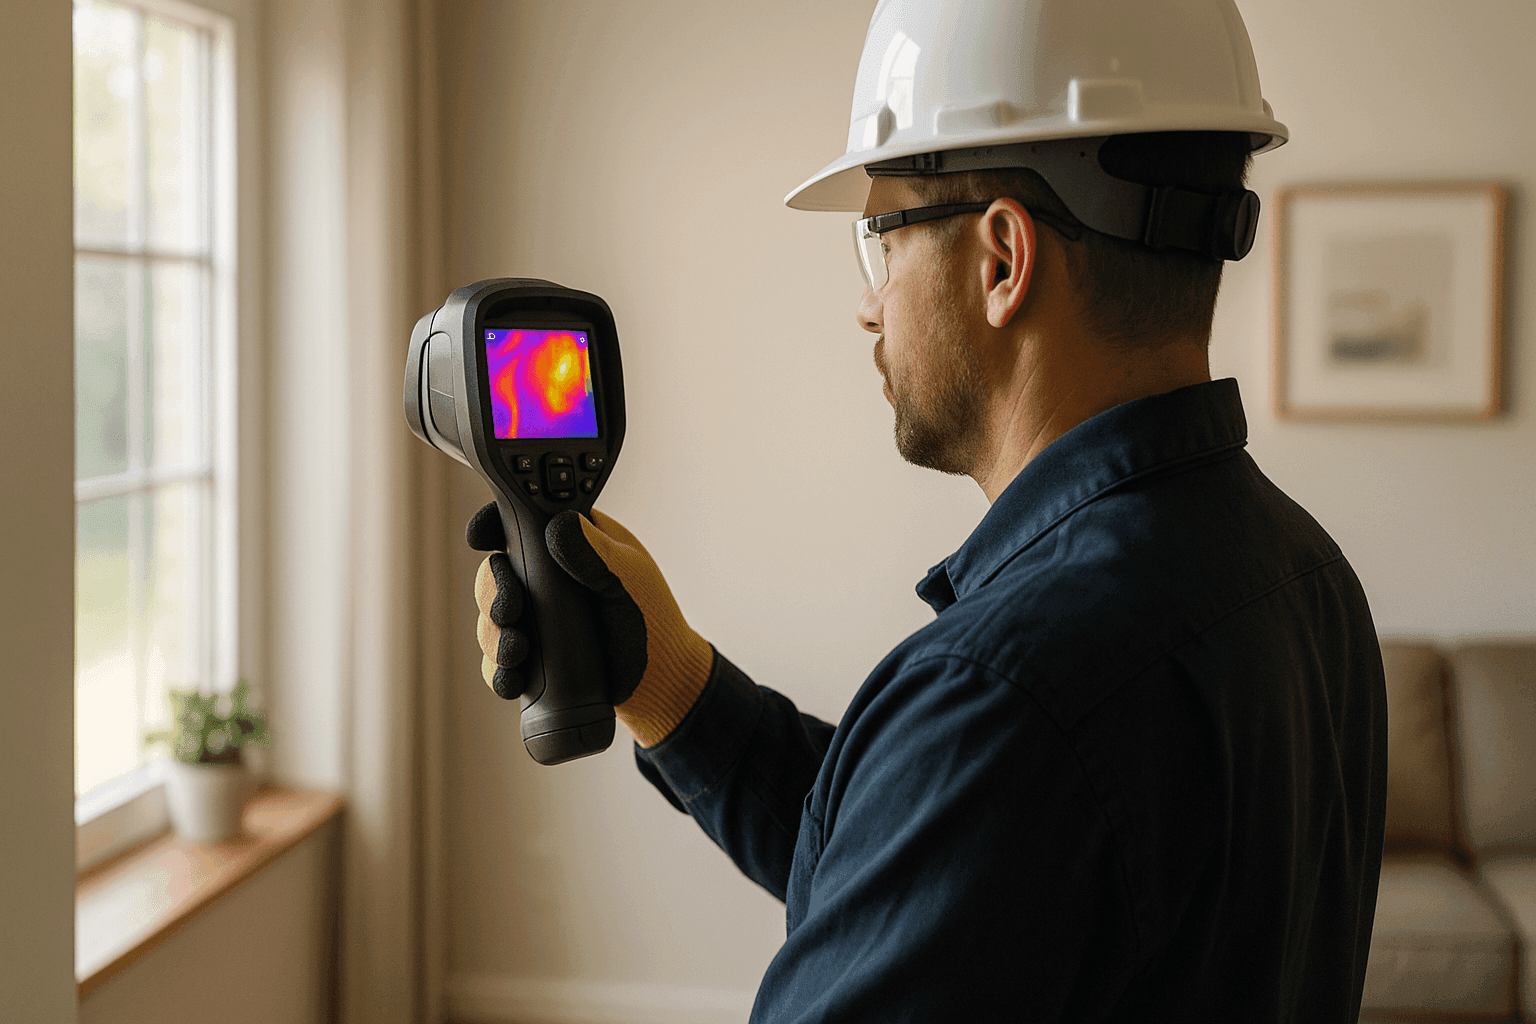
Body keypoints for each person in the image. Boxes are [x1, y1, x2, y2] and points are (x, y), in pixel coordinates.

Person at [467, 0, 1388, 1019]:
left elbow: (974, 801)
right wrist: (670, 684)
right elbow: (949, 871)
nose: (868, 304)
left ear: (1002, 260)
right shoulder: (1311, 581)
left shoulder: (1004, 693)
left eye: (881, 237)